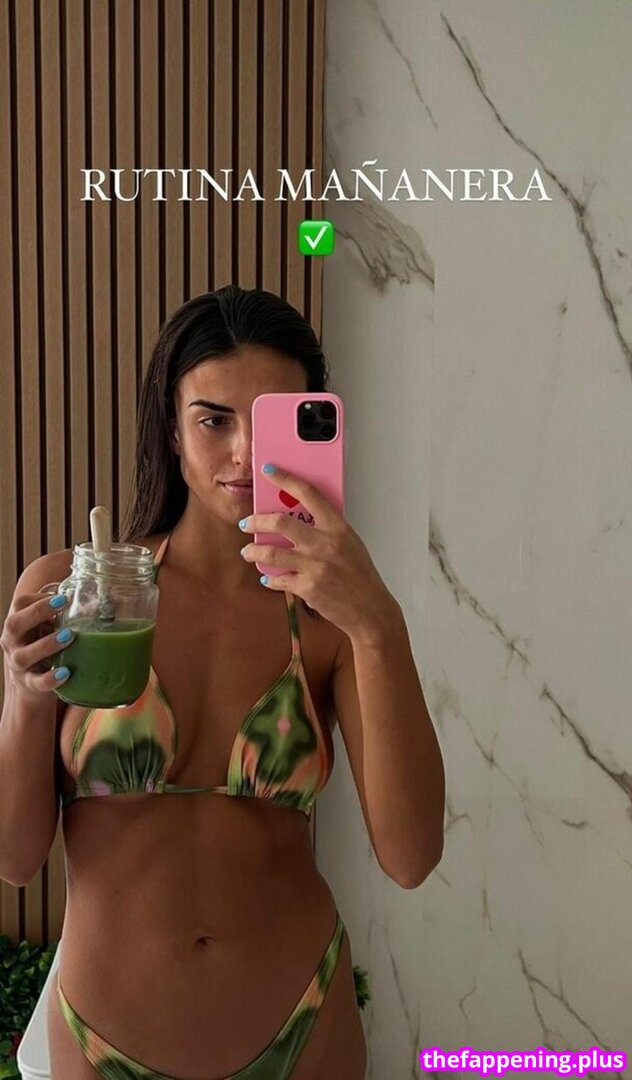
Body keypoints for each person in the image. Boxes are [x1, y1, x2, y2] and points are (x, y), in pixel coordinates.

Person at [0, 286, 445, 1079]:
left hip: (304, 1029)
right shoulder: (80, 591)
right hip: (102, 1040)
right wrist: (27, 700)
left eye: (271, 422)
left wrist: (379, 624)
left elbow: (410, 857)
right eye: (214, 420)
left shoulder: (331, 620)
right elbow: (14, 856)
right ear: (172, 431)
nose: (244, 454)